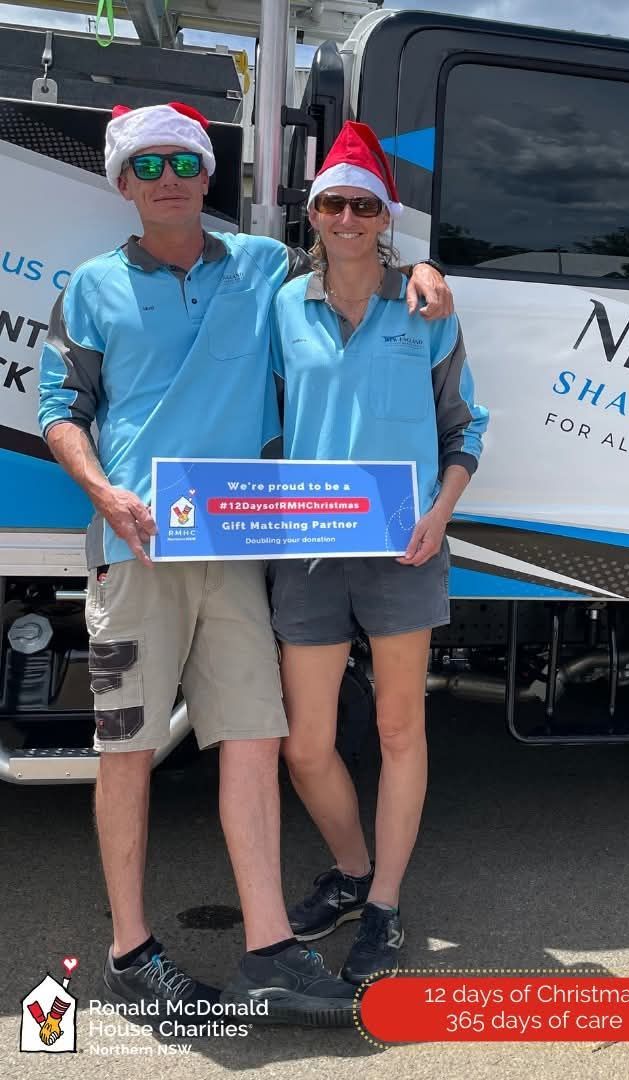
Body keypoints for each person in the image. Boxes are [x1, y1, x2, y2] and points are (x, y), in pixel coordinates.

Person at [36, 101, 452, 1025]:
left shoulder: (262, 268)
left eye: (185, 162)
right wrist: (106, 493)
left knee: (256, 744)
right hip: (134, 550)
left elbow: (351, 269)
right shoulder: (94, 285)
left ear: (208, 176)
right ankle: (130, 954)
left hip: (234, 553)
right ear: (121, 181)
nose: (170, 179)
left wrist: (421, 269)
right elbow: (58, 405)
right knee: (129, 750)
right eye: (148, 167)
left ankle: (269, 951)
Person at [270, 122, 487, 984]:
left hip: (407, 545)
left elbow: (464, 426)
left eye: (364, 204)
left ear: (385, 218)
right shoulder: (284, 304)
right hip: (310, 549)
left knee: (400, 729)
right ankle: (353, 871)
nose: (348, 217)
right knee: (305, 745)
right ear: (313, 214)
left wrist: (439, 514)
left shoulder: (425, 306)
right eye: (334, 203)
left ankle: (386, 906)